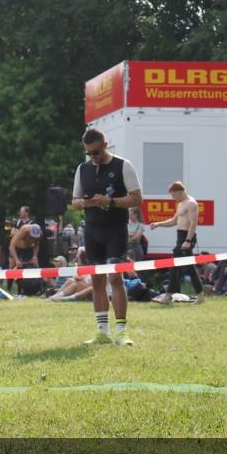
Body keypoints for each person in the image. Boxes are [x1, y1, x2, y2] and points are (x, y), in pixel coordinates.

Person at [71, 128, 142, 345]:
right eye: (88, 153)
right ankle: (102, 331)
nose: (92, 157)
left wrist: (109, 202)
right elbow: (74, 202)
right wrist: (85, 203)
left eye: (95, 152)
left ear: (105, 145)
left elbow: (137, 199)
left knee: (115, 278)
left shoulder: (123, 165)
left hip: (115, 230)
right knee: (97, 279)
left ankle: (121, 330)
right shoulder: (82, 169)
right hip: (92, 231)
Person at [150, 181, 205, 303]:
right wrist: (158, 224)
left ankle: (167, 296)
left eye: (173, 195)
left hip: (186, 237)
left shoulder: (191, 203)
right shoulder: (181, 204)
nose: (172, 198)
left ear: (179, 192)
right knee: (190, 268)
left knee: (175, 266)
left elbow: (193, 223)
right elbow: (174, 221)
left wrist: (188, 241)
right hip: (180, 236)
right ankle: (200, 297)